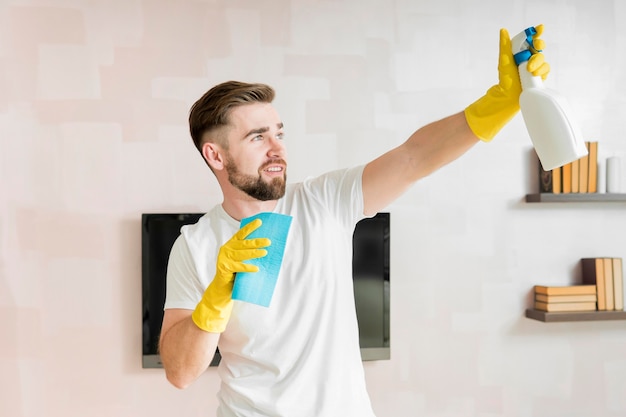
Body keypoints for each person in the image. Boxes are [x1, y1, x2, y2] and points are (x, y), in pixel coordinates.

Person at [159, 26, 550, 416]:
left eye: (280, 133)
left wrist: (499, 103)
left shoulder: (324, 201)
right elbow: (179, 373)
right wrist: (216, 297)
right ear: (216, 155)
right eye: (258, 138)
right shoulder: (195, 245)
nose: (278, 148)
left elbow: (414, 157)